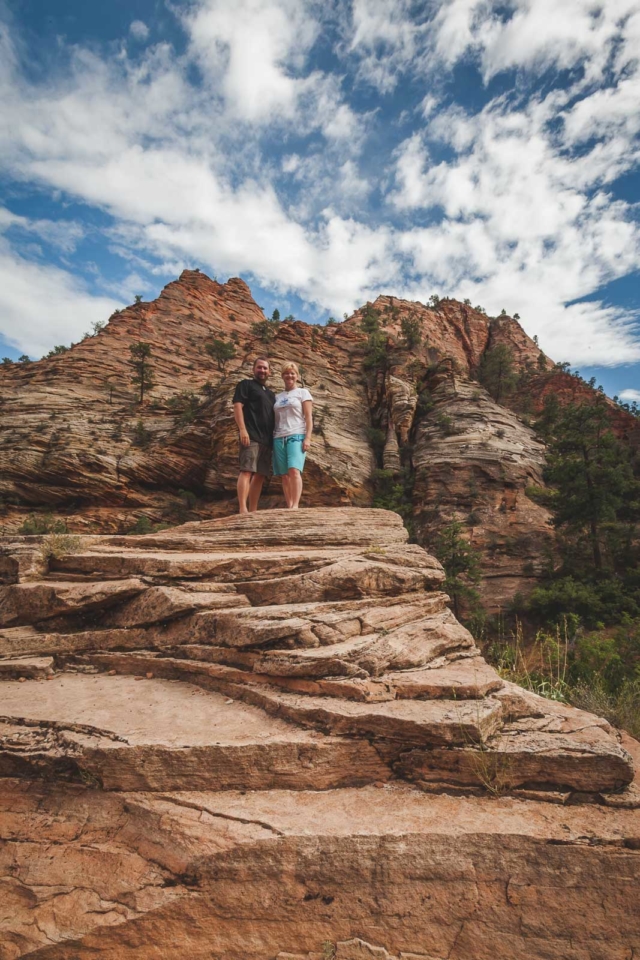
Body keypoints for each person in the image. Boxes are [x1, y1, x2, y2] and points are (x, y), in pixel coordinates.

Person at [232, 357, 275, 514]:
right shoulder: (246, 385)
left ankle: (253, 510)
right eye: (259, 367)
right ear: (253, 369)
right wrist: (242, 429)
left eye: (265, 368)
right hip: (250, 436)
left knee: (260, 475)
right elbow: (237, 406)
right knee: (246, 470)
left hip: (267, 441)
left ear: (269, 372)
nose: (262, 371)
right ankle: (243, 509)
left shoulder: (271, 394)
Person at [272, 362, 313, 510]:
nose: (289, 375)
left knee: (294, 470)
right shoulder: (277, 396)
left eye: (292, 373)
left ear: (297, 376)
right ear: (282, 376)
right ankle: (289, 504)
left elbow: (308, 417)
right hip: (278, 436)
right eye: (286, 373)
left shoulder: (303, 393)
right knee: (284, 475)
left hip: (296, 434)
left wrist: (307, 438)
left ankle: (295, 505)